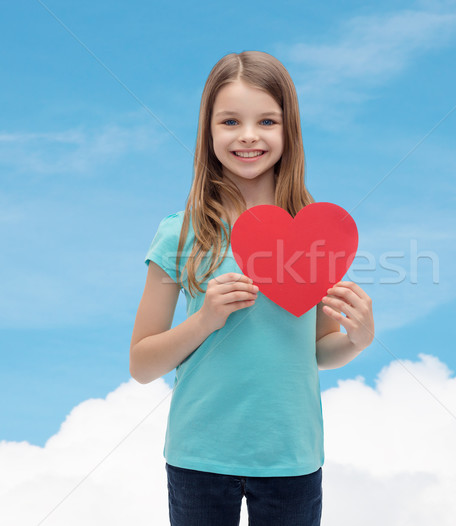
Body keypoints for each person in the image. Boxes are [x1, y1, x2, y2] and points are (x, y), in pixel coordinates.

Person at [129, 50, 375, 526]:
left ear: (289, 132)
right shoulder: (179, 235)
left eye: (266, 120)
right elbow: (142, 363)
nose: (248, 136)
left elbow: (317, 351)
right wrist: (205, 320)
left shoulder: (317, 235)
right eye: (229, 121)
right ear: (208, 132)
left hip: (291, 457)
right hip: (198, 456)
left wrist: (357, 340)